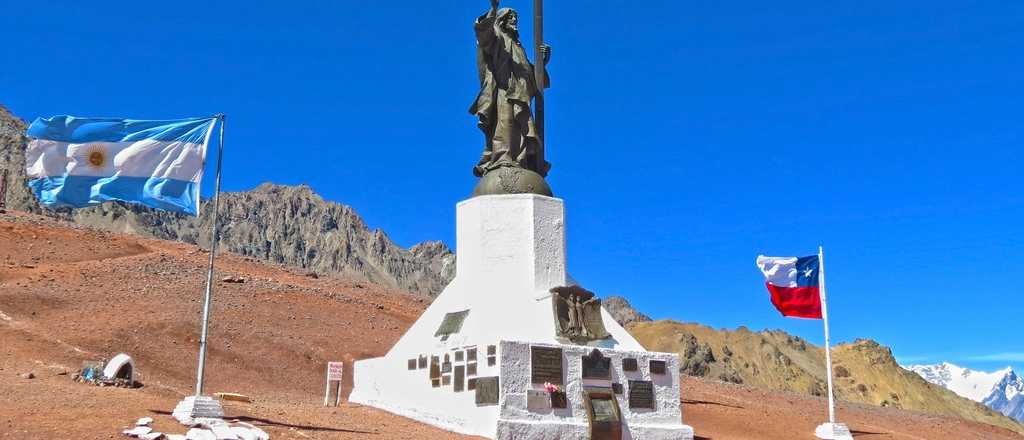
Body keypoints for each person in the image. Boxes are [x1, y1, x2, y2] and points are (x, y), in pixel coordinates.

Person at [469, 0, 551, 178]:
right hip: (504, 92)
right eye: (510, 17)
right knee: (505, 125)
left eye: (515, 17)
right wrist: (493, 9)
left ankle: (521, 162)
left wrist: (541, 64)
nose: (514, 20)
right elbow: (484, 33)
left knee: (521, 129)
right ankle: (502, 160)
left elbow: (530, 76)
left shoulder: (518, 47)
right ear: (502, 20)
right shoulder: (498, 39)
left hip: (521, 96)